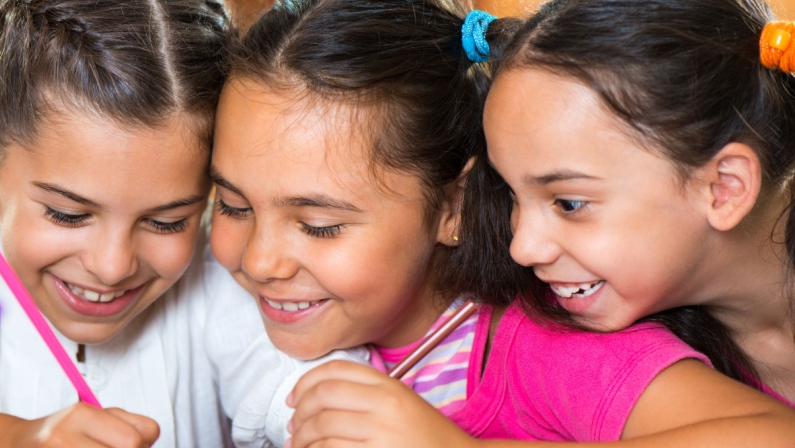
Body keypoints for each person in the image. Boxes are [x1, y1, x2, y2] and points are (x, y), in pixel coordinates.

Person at [209, 0, 795, 446]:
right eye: (232, 205)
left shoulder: (557, 345)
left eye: (318, 224)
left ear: (454, 207)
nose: (521, 246)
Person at [0, 0, 338, 446]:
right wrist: (12, 438)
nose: (112, 267)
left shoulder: (220, 288)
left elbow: (313, 403)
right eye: (68, 214)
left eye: (167, 222)